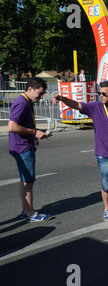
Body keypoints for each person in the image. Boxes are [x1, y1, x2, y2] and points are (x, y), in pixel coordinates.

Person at [53, 81, 108, 222]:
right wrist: (62, 99)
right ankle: (107, 209)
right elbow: (77, 105)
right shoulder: (96, 107)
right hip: (105, 157)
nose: (100, 96)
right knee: (107, 186)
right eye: (99, 93)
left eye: (104, 93)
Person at [8, 77, 52, 222]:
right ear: (30, 89)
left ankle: (26, 210)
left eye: (43, 94)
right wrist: (34, 132)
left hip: (22, 145)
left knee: (25, 181)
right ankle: (30, 213)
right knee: (28, 182)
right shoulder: (22, 103)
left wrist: (38, 131)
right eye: (39, 93)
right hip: (22, 147)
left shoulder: (26, 101)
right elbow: (12, 126)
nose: (41, 97)